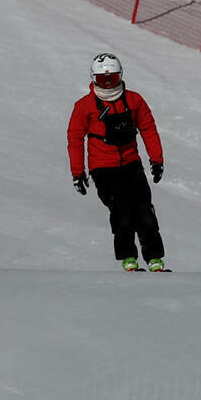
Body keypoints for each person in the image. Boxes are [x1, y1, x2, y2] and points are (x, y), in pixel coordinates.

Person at [68, 52, 168, 271]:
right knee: (121, 209)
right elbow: (75, 139)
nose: (107, 83)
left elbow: (148, 128)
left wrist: (156, 160)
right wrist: (78, 172)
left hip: (131, 164)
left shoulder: (134, 100)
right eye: (102, 79)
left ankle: (154, 258)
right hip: (102, 168)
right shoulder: (84, 106)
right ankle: (128, 257)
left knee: (144, 210)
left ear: (120, 75)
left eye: (111, 78)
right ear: (93, 78)